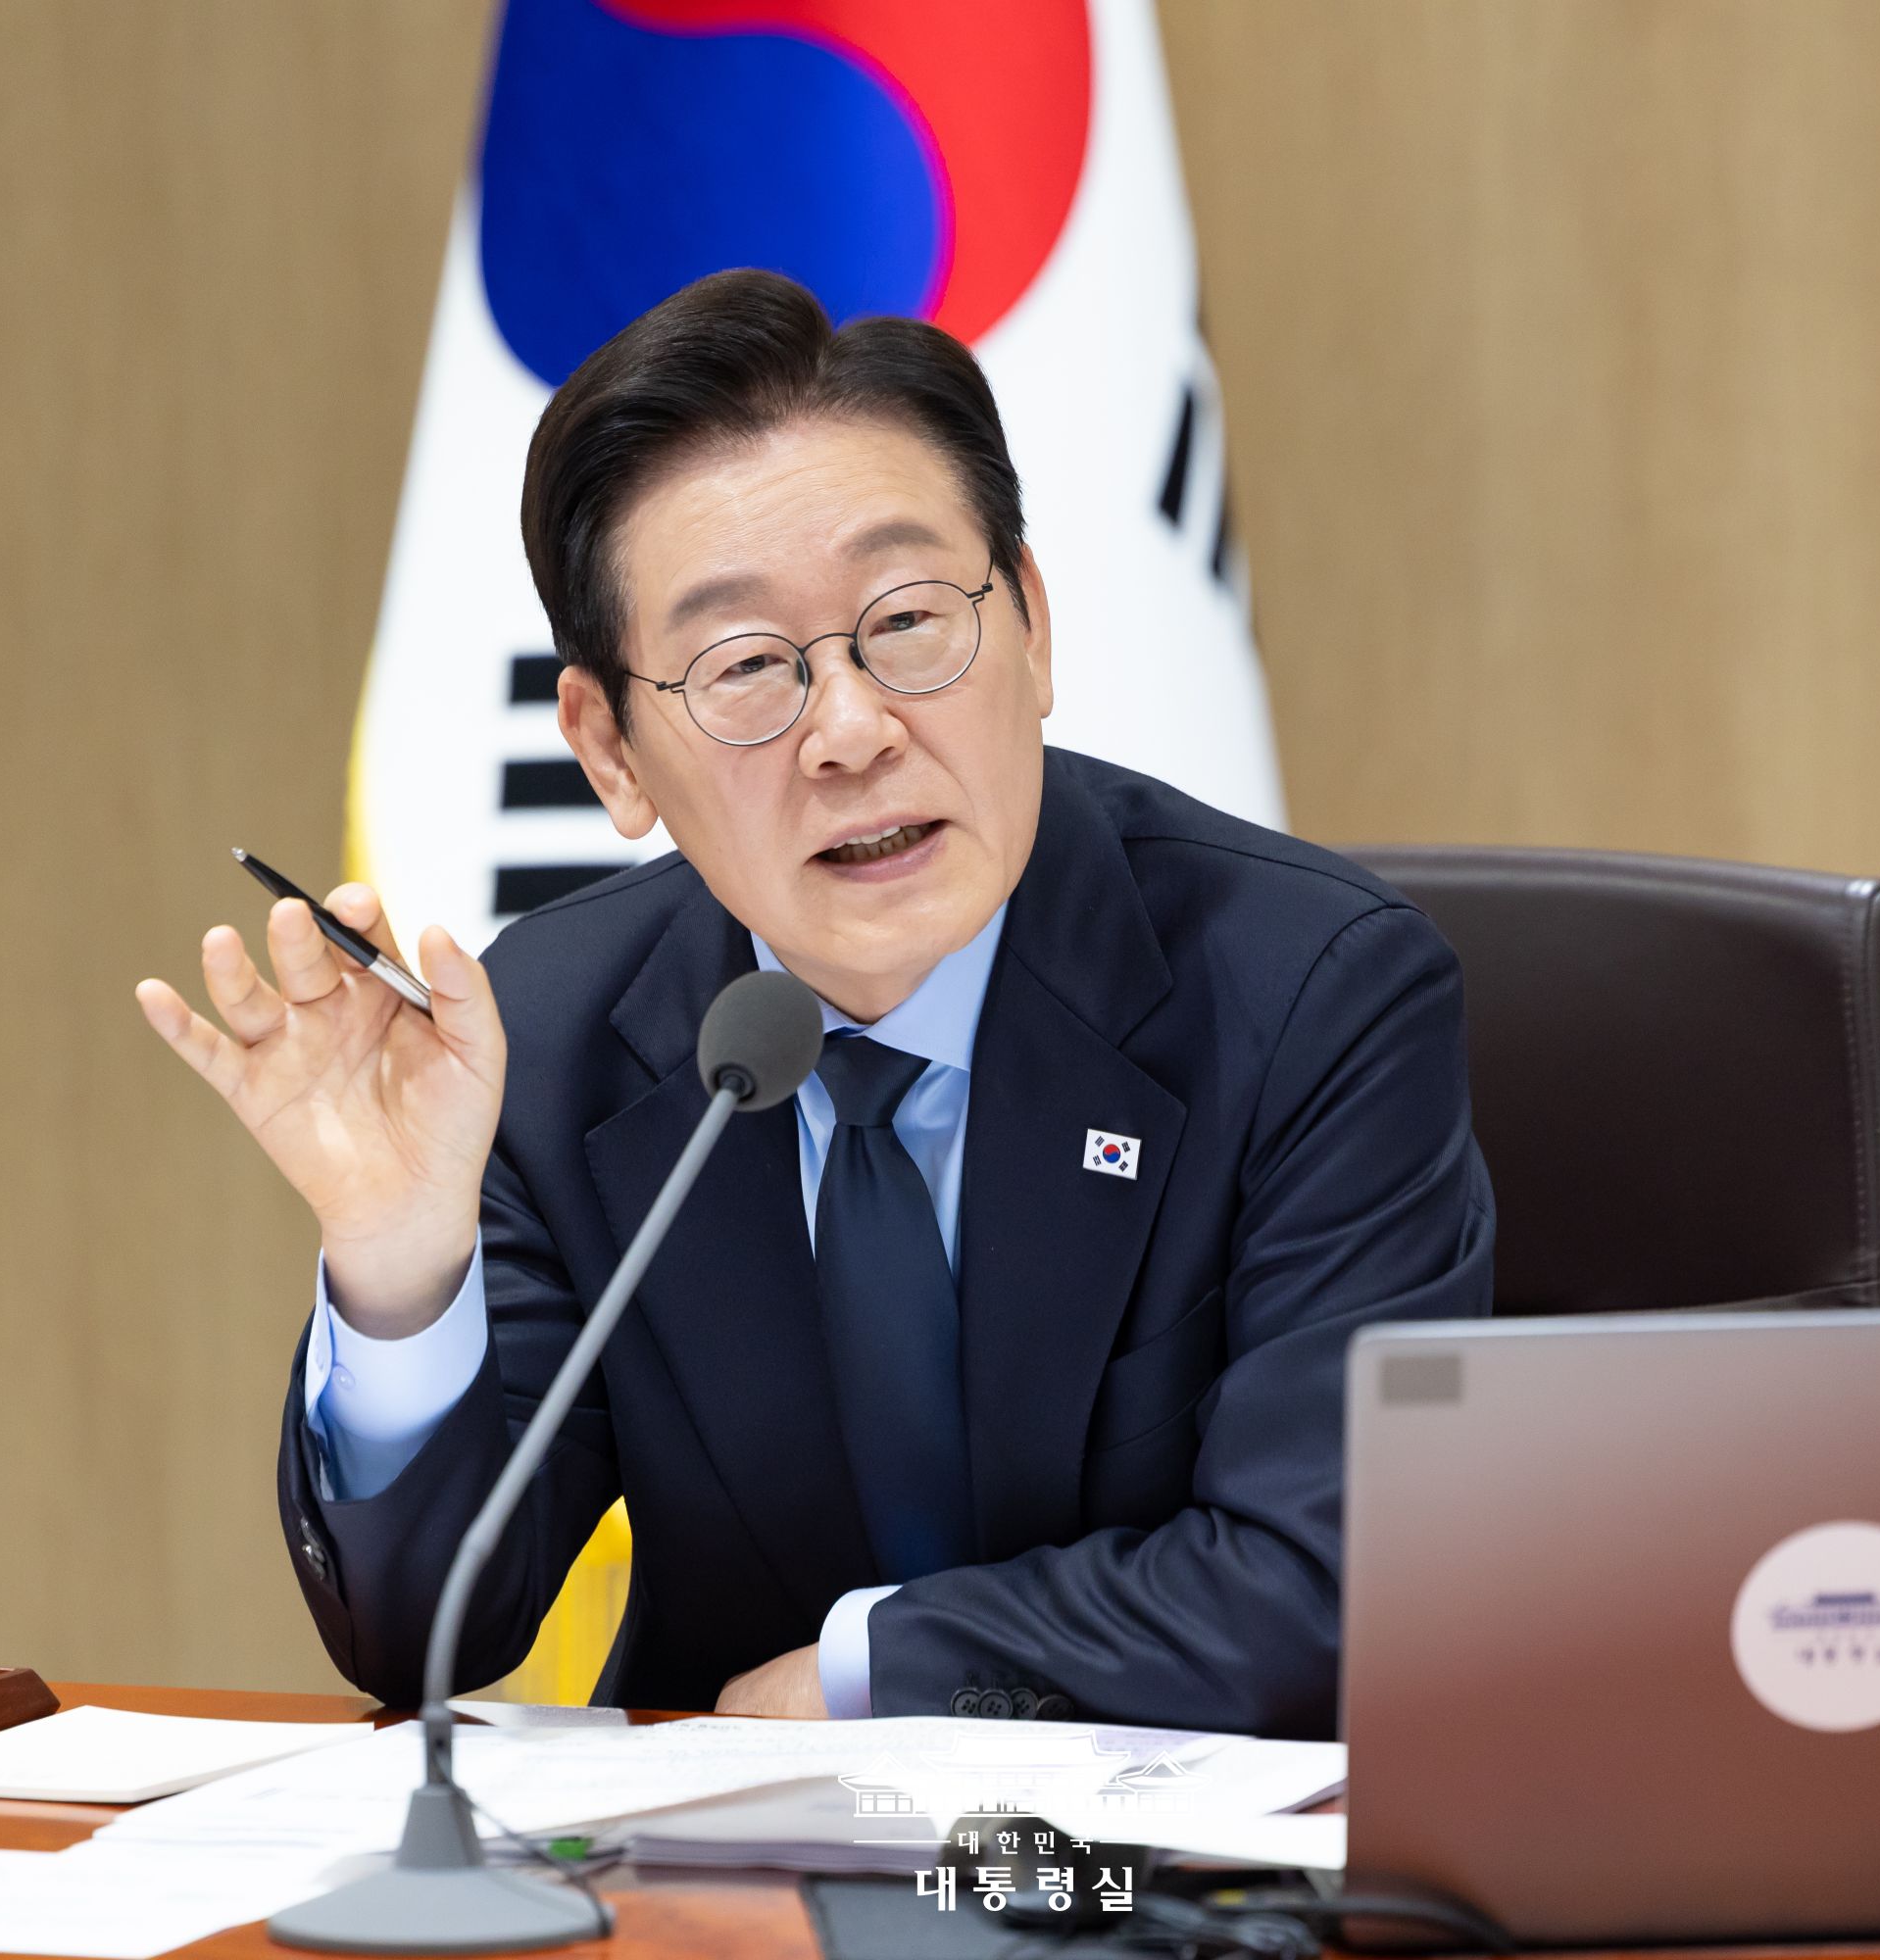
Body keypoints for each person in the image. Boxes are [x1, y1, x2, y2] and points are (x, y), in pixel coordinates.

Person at [135, 270, 1492, 1739]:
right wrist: (401, 1268)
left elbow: (1323, 1580)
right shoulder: (557, 1034)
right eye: (745, 669)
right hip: (725, 1904)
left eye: (909, 622)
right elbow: (423, 1634)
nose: (851, 731)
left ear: (1031, 627)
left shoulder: (1310, 997)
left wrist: (868, 1674)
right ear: (609, 751)